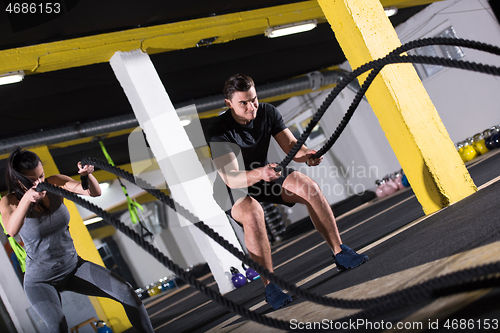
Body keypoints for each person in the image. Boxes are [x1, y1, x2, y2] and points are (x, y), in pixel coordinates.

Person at [208, 74, 368, 310]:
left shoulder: (267, 112)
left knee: (308, 187)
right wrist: (261, 173)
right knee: (253, 213)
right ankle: (270, 287)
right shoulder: (219, 131)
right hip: (232, 186)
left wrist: (307, 156)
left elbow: (292, 146)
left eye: (253, 99)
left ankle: (340, 252)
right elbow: (232, 178)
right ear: (228, 103)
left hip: (263, 173)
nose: (251, 106)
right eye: (243, 103)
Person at [0, 148, 154, 333]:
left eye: (41, 176)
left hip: (74, 267)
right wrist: (26, 200)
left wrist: (88, 176)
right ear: (18, 180)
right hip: (41, 281)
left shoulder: (54, 182)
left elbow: (92, 192)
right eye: (33, 180)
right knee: (57, 324)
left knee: (127, 293)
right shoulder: (10, 201)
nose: (39, 182)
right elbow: (11, 229)